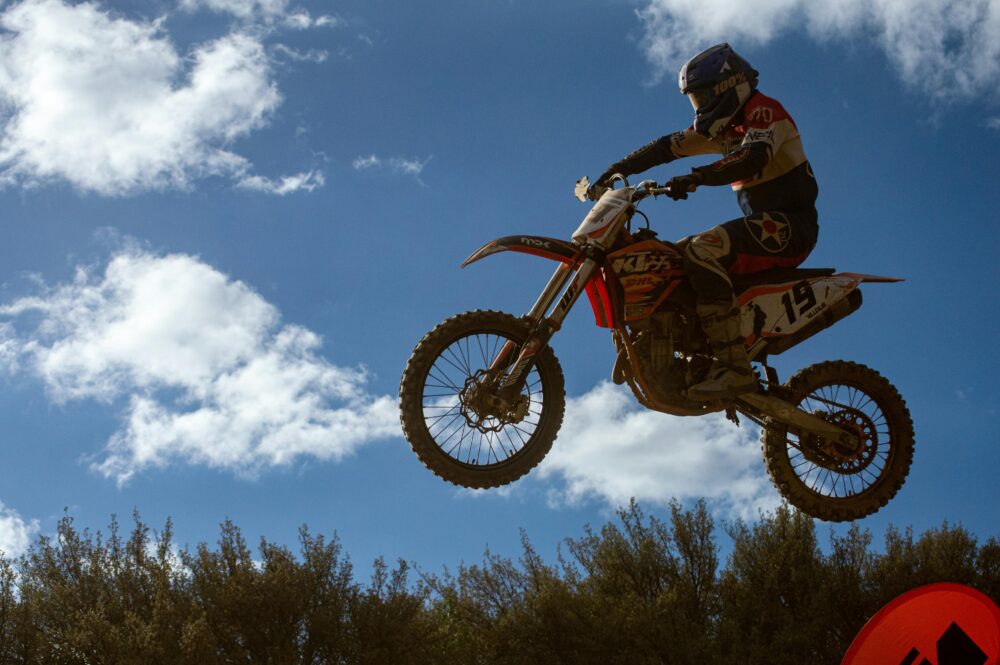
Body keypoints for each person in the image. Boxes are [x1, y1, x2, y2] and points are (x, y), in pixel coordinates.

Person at [591, 43, 819, 400]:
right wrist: (617, 169)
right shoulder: (725, 129)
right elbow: (665, 147)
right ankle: (689, 352)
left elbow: (752, 157)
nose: (700, 107)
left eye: (704, 97)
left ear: (728, 87)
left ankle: (734, 367)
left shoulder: (763, 111)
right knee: (670, 257)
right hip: (766, 226)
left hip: (791, 227)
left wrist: (698, 177)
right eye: (694, 100)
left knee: (701, 251)